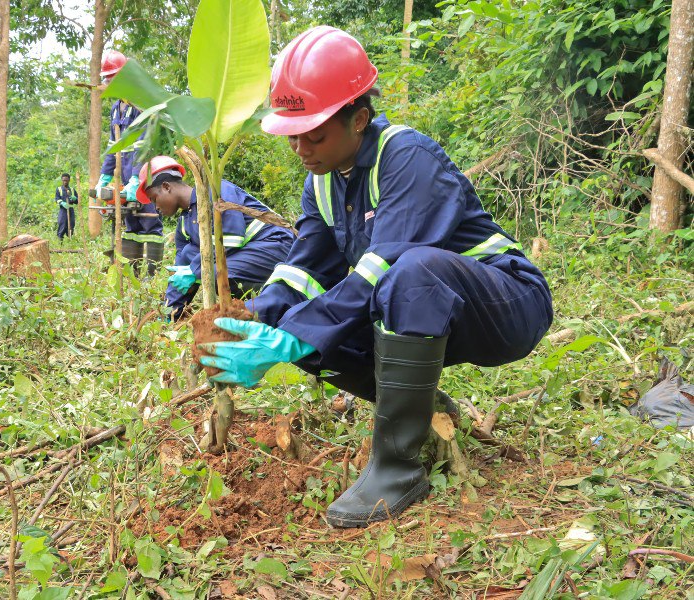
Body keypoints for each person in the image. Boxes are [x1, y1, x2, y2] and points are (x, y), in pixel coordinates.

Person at [197, 26, 553, 528]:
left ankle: (397, 469)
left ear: (359, 118)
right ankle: (423, 408)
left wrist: (291, 338)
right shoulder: (320, 183)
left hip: (508, 305)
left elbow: (382, 267)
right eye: (293, 134)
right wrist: (254, 321)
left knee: (406, 273)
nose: (301, 147)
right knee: (311, 325)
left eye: (314, 133)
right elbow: (304, 270)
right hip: (428, 309)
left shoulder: (406, 158)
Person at [137, 156, 294, 320]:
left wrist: (195, 270)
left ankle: (269, 305)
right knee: (189, 254)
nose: (156, 207)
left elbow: (230, 237)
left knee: (213, 273)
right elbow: (180, 268)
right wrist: (169, 312)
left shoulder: (216, 189)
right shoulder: (185, 223)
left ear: (166, 187)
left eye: (154, 199)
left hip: (277, 246)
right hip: (250, 255)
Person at [95, 49, 164, 275]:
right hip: (125, 174)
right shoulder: (117, 108)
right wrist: (104, 177)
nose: (108, 82)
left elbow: (144, 145)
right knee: (131, 224)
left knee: (149, 221)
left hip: (147, 173)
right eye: (106, 78)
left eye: (112, 78)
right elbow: (112, 146)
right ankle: (131, 275)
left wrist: (137, 177)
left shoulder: (140, 103)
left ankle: (151, 278)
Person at [55, 173, 78, 241]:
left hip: (70, 209)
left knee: (71, 224)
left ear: (69, 180)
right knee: (62, 224)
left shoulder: (72, 189)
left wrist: (75, 199)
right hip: (63, 210)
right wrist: (62, 203)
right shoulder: (59, 189)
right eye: (64, 180)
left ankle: (70, 240)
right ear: (62, 180)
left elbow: (77, 201)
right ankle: (60, 241)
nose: (65, 182)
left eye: (66, 180)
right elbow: (57, 198)